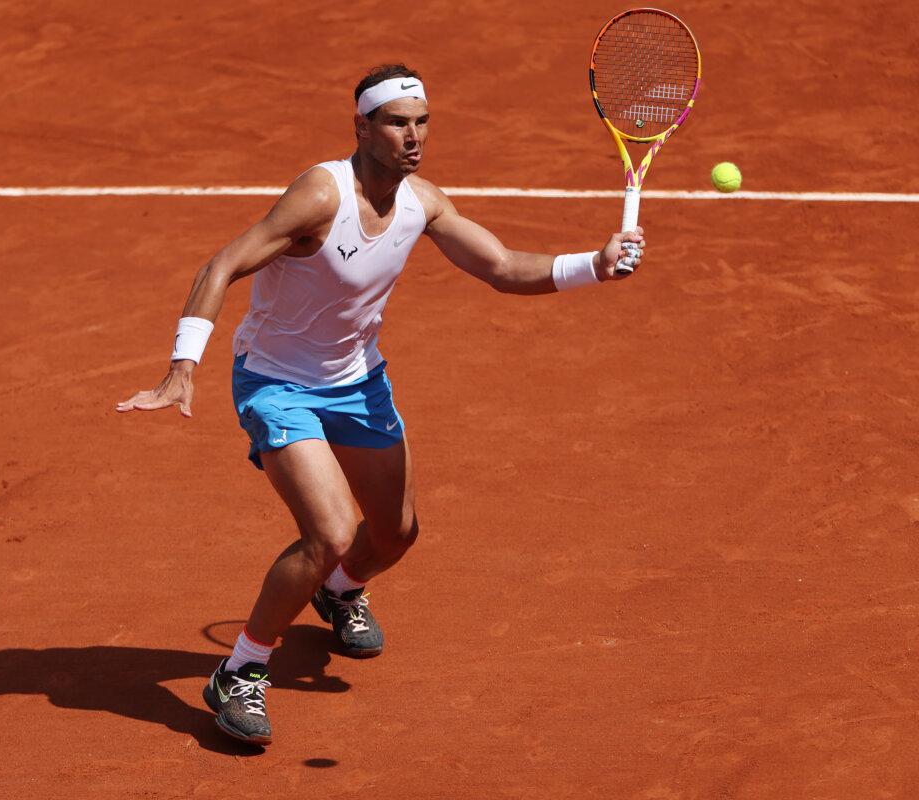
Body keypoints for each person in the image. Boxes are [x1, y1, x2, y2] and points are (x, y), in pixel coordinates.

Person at [116, 64, 645, 745]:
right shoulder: (319, 195)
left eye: (422, 122)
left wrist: (595, 265)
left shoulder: (424, 202)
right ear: (362, 128)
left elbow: (502, 267)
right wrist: (181, 368)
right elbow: (219, 266)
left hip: (358, 383)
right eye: (397, 123)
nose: (413, 136)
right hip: (277, 382)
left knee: (394, 534)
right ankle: (241, 669)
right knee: (332, 531)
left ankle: (338, 591)